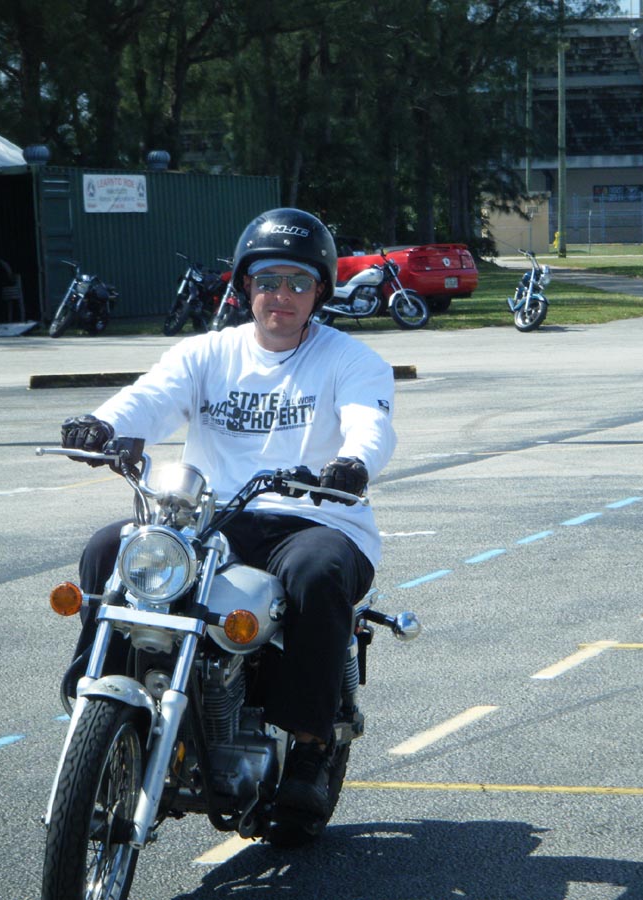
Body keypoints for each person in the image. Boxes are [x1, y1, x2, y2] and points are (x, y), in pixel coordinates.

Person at [59, 207, 396, 828]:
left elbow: (369, 422)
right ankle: (98, 694)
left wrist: (353, 464)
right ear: (245, 286)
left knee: (317, 573)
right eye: (268, 280)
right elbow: (150, 398)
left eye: (298, 282)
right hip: (210, 520)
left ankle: (310, 746)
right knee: (110, 548)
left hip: (315, 518)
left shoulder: (351, 360)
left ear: (320, 290)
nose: (281, 295)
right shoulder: (207, 352)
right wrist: (102, 425)